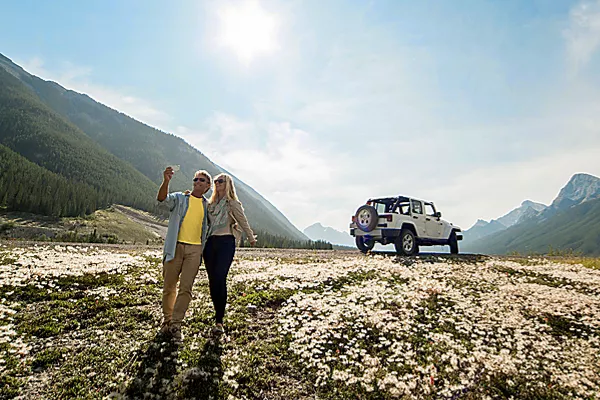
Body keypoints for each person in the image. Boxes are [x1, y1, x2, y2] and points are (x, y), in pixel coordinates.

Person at [156, 166, 212, 342]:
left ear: (208, 186)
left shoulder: (208, 206)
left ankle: (176, 324)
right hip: (175, 247)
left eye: (201, 180)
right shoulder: (180, 198)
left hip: (195, 251)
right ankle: (167, 320)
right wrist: (166, 181)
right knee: (169, 286)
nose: (197, 182)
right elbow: (162, 199)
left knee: (186, 288)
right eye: (195, 179)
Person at [204, 173, 256, 336]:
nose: (217, 184)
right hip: (210, 244)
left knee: (220, 277)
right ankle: (216, 313)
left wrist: (250, 236)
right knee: (212, 281)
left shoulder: (232, 203)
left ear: (228, 184)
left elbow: (242, 220)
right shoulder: (210, 204)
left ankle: (220, 320)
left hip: (226, 242)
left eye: (221, 181)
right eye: (215, 181)